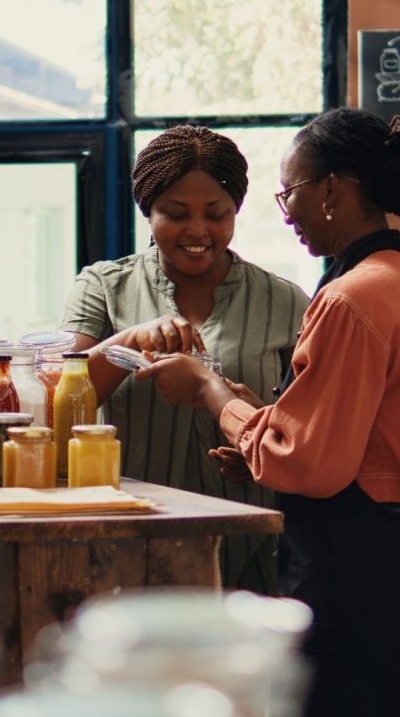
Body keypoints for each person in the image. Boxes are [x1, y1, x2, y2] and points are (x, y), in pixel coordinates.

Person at [135, 108, 400, 717]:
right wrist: (259, 434)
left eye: (289, 192)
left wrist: (211, 393)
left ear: (329, 190)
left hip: (371, 570)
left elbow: (311, 462)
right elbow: (354, 438)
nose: (286, 210)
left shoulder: (349, 298)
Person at [58, 125, 310, 594]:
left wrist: (258, 436)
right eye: (175, 214)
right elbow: (59, 391)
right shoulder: (103, 287)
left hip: (250, 545)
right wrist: (128, 340)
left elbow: (309, 425)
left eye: (216, 214)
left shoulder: (286, 301)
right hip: (129, 537)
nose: (198, 230)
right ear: (147, 213)